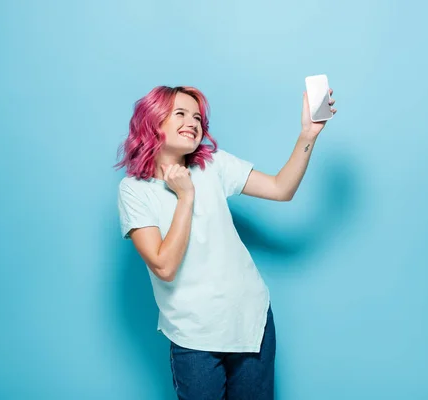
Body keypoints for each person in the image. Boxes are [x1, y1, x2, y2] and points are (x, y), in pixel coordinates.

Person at [115, 85, 337, 399]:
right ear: (153, 121)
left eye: (196, 117)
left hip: (250, 320)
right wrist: (186, 196)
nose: (192, 122)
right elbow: (164, 265)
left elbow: (280, 188)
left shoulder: (212, 164)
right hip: (193, 335)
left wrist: (308, 135)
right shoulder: (134, 190)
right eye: (180, 113)